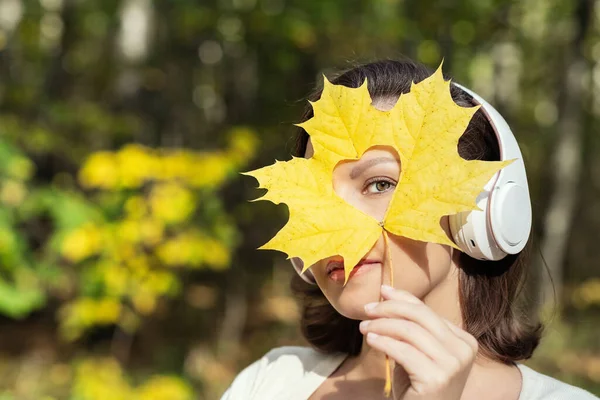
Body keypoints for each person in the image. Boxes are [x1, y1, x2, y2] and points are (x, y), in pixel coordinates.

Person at [221, 59, 599, 399]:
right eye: (317, 199)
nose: (333, 224)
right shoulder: (271, 380)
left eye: (380, 184)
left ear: (480, 207)